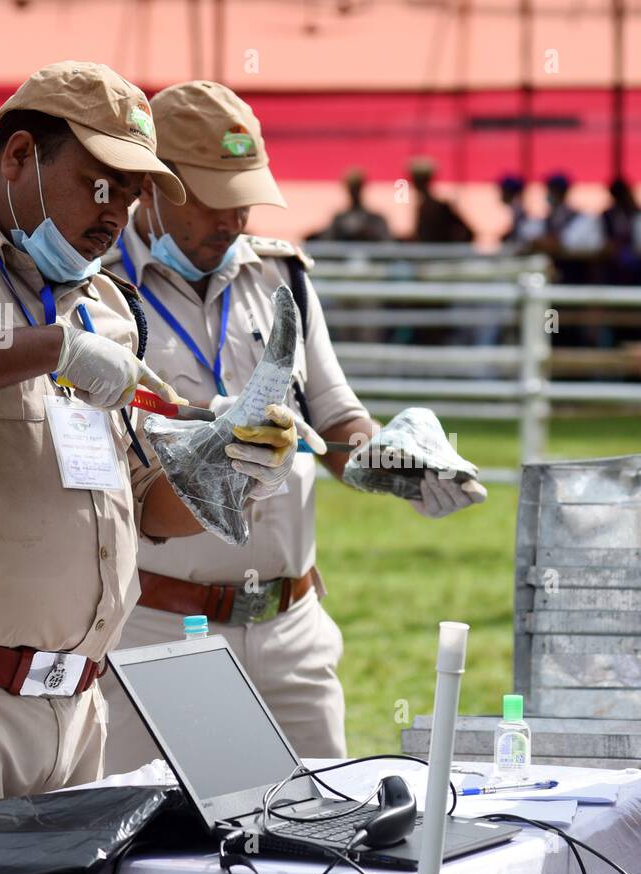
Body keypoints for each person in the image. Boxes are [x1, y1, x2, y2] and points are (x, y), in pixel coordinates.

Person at [0, 61, 298, 852]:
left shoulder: (103, 302)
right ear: (17, 158)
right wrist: (49, 347)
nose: (121, 212)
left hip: (78, 706)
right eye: (100, 183)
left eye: (136, 191)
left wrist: (232, 466)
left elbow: (148, 509)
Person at [101, 81, 489, 768]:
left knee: (319, 844)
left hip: (291, 626)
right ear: (154, 186)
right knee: (153, 851)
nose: (238, 216)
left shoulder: (281, 275)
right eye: (217, 197)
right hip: (156, 627)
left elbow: (337, 416)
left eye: (246, 193)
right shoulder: (99, 292)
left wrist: (391, 458)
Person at [310, 167, 392, 242]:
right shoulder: (338, 220)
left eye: (356, 187)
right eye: (352, 187)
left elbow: (388, 245)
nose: (354, 191)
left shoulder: (376, 221)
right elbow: (327, 243)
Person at [408, 156, 473, 243]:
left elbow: (469, 233)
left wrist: (449, 249)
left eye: (419, 179)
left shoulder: (439, 207)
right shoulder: (425, 206)